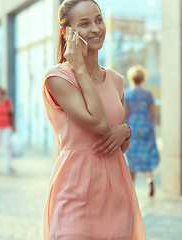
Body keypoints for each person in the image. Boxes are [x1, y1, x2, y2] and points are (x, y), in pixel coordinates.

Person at [42, 0, 146, 239]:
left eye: (98, 19)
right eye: (85, 23)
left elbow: (118, 145)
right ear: (67, 32)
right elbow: (98, 123)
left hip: (115, 192)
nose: (96, 28)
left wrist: (125, 131)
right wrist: (79, 67)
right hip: (74, 190)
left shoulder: (116, 80)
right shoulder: (57, 78)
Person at [124, 65, 160, 197]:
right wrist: (151, 126)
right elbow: (153, 113)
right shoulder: (147, 94)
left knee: (131, 158)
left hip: (132, 129)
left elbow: (125, 113)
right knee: (147, 156)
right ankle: (150, 180)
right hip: (146, 129)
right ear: (143, 79)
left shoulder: (127, 94)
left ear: (131, 78)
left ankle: (131, 189)